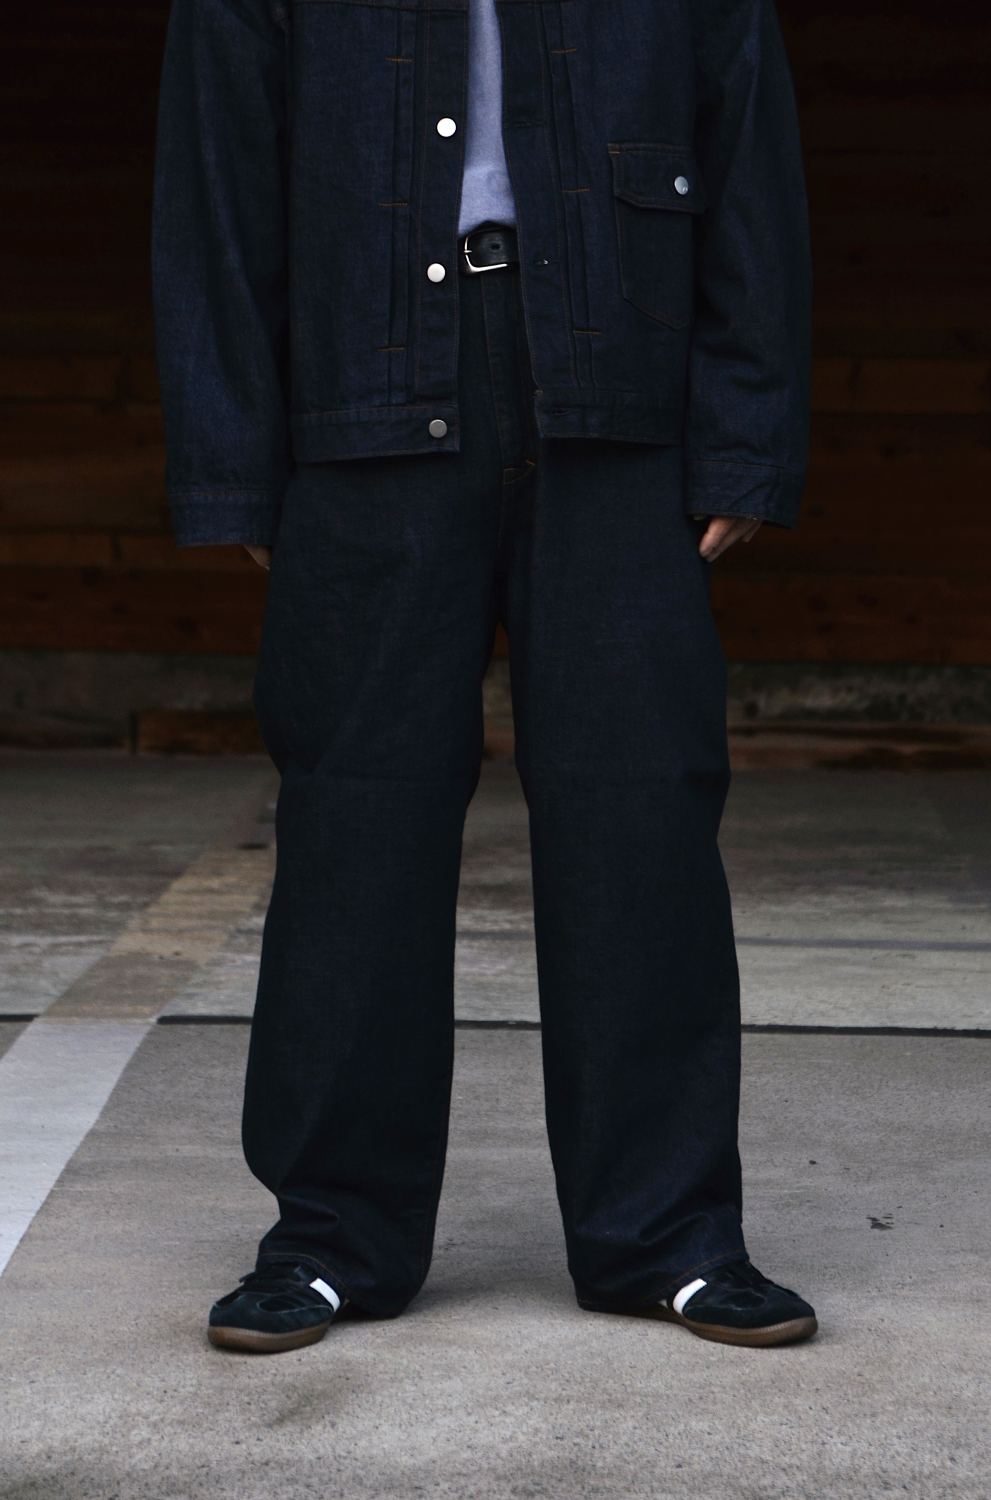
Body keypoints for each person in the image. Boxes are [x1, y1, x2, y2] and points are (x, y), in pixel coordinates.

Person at [151, 0, 817, 1353]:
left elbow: (746, 142)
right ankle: (330, 1235)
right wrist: (236, 459)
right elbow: (217, 175)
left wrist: (746, 433)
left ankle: (670, 1235)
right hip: (368, 382)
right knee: (357, 818)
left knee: (643, 814)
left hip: (617, 386)